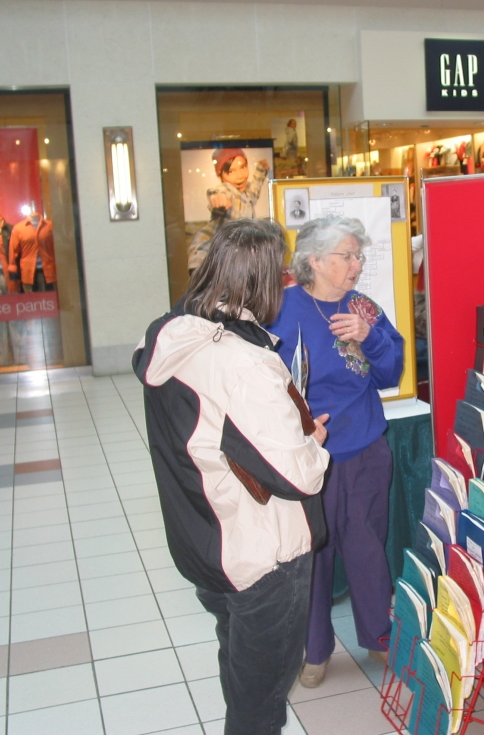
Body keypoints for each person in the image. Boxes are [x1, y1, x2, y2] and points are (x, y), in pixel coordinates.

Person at [135, 219, 331, 735]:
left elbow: (218, 435)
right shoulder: (245, 365)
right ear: (266, 284)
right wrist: (314, 443)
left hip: (203, 543)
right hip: (261, 558)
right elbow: (300, 477)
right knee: (261, 703)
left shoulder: (168, 334)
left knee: (239, 666)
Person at [269, 215, 405, 688]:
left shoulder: (363, 307)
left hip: (365, 449)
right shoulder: (280, 308)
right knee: (314, 555)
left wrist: (371, 338)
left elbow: (392, 373)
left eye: (359, 255)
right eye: (348, 255)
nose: (357, 264)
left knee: (368, 548)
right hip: (308, 456)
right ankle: (316, 650)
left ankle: (378, 635)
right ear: (315, 261)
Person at [187, 148, 270, 273]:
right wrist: (218, 199)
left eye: (243, 167)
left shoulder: (246, 194)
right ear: (220, 175)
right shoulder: (226, 190)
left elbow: (254, 191)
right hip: (206, 257)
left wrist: (260, 170)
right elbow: (217, 193)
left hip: (230, 257)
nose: (240, 175)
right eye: (231, 171)